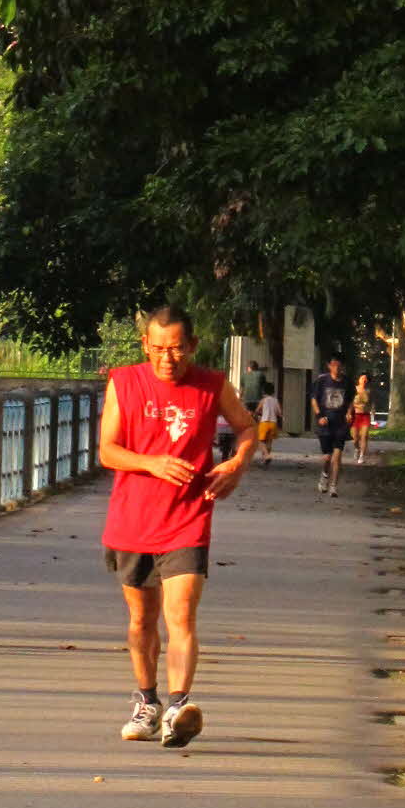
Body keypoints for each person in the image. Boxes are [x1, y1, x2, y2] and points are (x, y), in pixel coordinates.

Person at [100, 304, 256, 747]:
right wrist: (150, 463)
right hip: (132, 520)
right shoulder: (124, 382)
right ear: (146, 345)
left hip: (189, 517)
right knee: (141, 620)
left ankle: (178, 707)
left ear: (193, 346)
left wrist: (235, 465)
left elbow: (248, 428)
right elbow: (107, 451)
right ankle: (146, 702)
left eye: (178, 349)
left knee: (181, 615)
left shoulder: (212, 385)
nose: (168, 358)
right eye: (159, 349)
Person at [310, 353, 354, 496]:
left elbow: (350, 401)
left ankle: (334, 486)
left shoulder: (347, 382)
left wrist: (349, 412)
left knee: (337, 456)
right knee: (327, 457)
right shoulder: (322, 381)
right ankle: (324, 475)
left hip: (341, 424)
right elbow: (314, 399)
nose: (337, 367)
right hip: (325, 424)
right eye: (334, 364)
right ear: (329, 366)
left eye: (339, 365)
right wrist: (319, 416)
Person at [253, 378, 283, 465]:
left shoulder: (263, 400)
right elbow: (279, 412)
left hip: (264, 422)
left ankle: (266, 455)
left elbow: (257, 410)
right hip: (273, 423)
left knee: (260, 441)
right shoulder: (276, 400)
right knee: (269, 442)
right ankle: (265, 459)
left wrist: (257, 415)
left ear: (263, 392)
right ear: (273, 391)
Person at [349, 372, 374, 465]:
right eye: (362, 378)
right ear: (359, 380)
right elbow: (349, 402)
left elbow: (372, 402)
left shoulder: (369, 391)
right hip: (355, 415)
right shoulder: (353, 389)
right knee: (355, 438)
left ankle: (362, 456)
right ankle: (356, 448)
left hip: (365, 416)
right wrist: (349, 412)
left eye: (366, 379)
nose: (364, 380)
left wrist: (373, 410)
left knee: (364, 436)